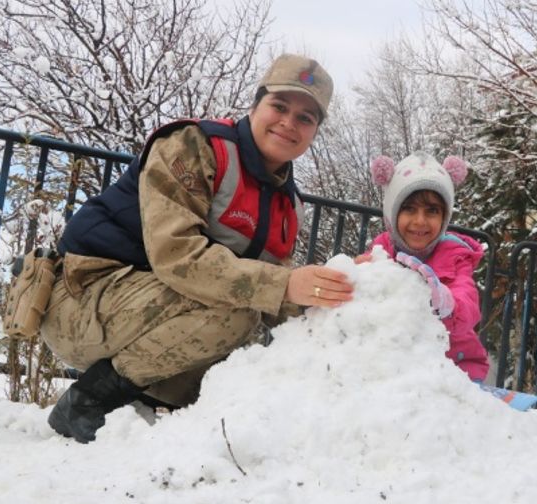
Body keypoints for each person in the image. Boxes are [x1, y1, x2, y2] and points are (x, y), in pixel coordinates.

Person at [39, 54, 354, 443]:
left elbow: (275, 295)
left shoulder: (289, 207)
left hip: (147, 310)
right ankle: (88, 401)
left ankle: (149, 403)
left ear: (314, 132)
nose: (289, 122)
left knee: (257, 342)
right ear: (254, 106)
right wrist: (286, 285)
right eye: (279, 106)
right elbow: (176, 255)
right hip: (82, 296)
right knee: (236, 318)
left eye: (306, 118)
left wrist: (342, 295)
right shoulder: (194, 146)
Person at [358, 152, 490, 382]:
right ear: (392, 212)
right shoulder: (381, 251)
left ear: (445, 217)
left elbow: (467, 300)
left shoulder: (455, 255)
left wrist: (448, 304)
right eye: (409, 209)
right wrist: (355, 277)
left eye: (432, 211)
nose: (420, 221)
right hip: (397, 365)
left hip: (455, 366)